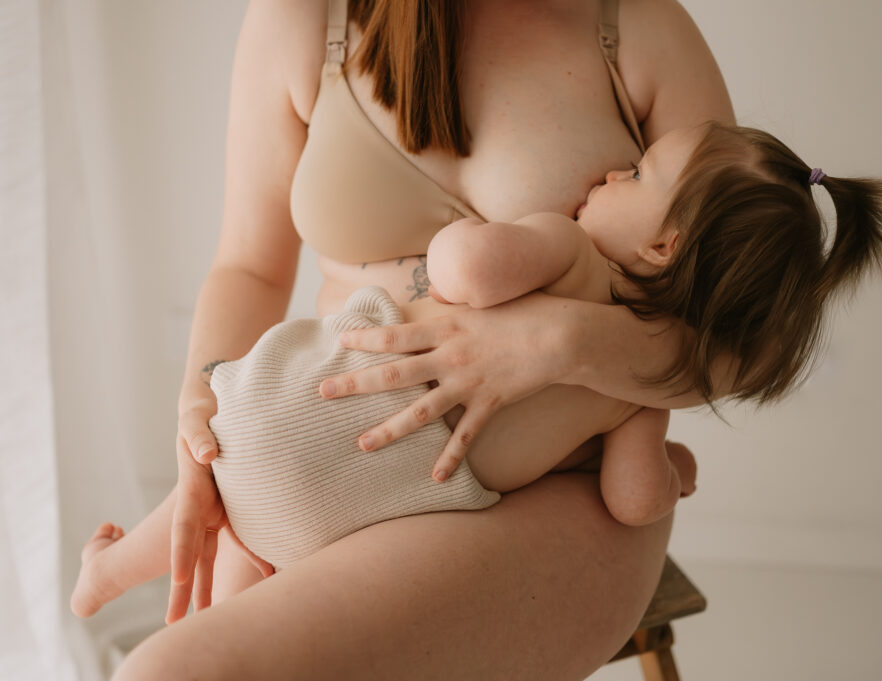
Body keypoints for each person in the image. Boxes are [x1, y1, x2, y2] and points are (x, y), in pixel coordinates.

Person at [112, 0, 741, 679]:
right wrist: (197, 409)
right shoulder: (299, 18)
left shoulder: (636, 27)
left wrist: (559, 342)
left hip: (558, 488)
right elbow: (250, 267)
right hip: (333, 444)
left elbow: (740, 338)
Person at [71, 122, 882, 619]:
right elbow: (633, 497)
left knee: (212, 511)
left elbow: (461, 269)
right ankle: (149, 599)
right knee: (238, 603)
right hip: (355, 522)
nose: (612, 172)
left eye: (638, 174)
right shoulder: (640, 394)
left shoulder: (570, 251)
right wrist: (673, 467)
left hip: (294, 406)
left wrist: (509, 236)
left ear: (664, 245)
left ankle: (108, 572)